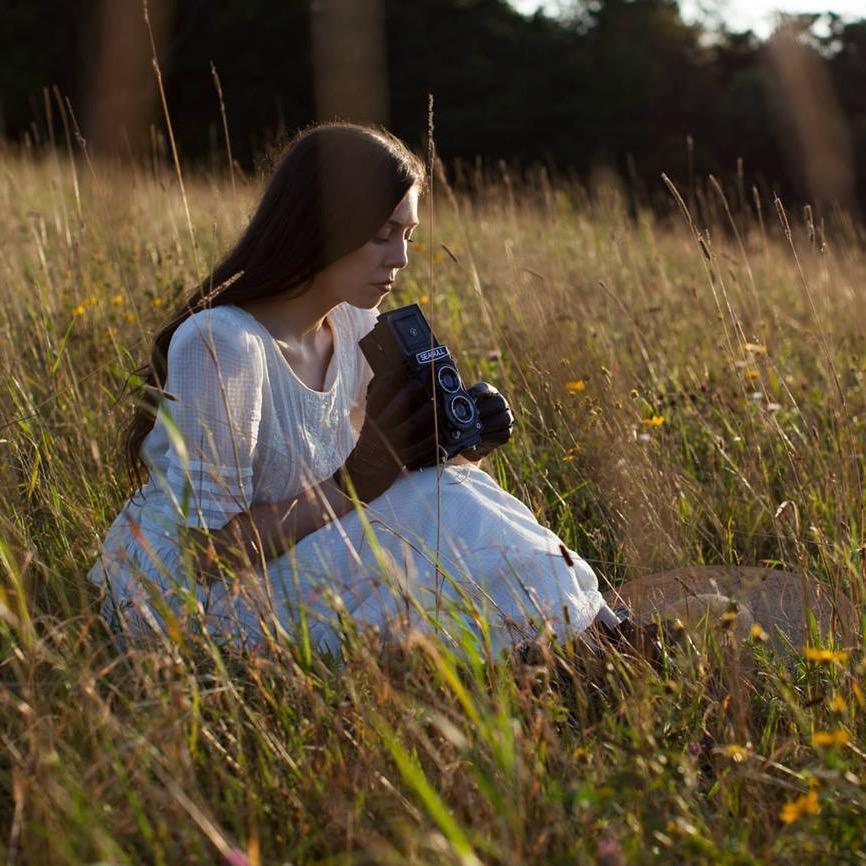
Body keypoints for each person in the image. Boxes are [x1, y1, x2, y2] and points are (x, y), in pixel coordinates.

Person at [88, 122, 623, 657]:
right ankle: (586, 645)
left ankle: (585, 639)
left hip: (296, 549)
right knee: (442, 509)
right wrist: (359, 479)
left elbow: (408, 481)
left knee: (456, 494)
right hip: (190, 599)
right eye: (382, 234)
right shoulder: (222, 344)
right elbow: (205, 557)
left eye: (408, 236)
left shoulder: (354, 324)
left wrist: (463, 443)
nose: (400, 258)